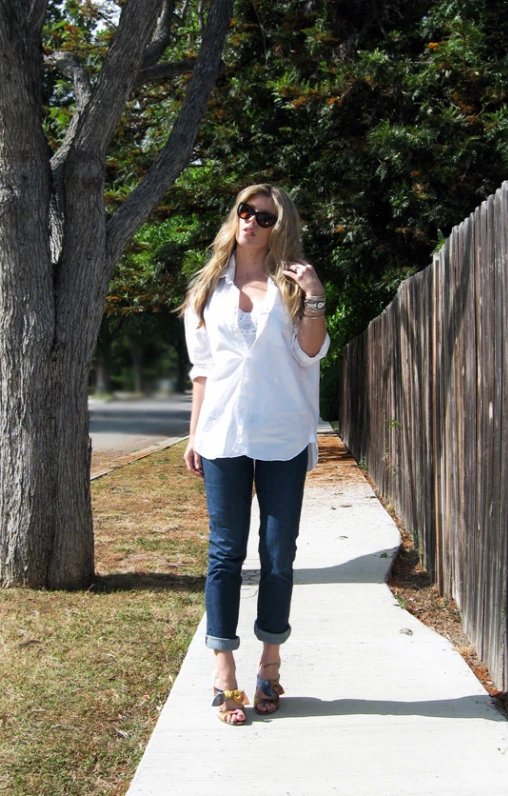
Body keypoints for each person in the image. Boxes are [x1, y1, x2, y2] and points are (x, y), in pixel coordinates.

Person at [182, 183, 329, 725]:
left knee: (277, 551)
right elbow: (202, 371)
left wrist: (313, 293)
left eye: (264, 216)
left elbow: (310, 351)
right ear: (235, 216)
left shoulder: (292, 286)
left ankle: (269, 662)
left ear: (277, 225)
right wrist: (194, 433)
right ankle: (224, 671)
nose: (252, 221)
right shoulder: (207, 288)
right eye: (245, 211)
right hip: (222, 433)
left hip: (282, 435)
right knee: (224, 552)